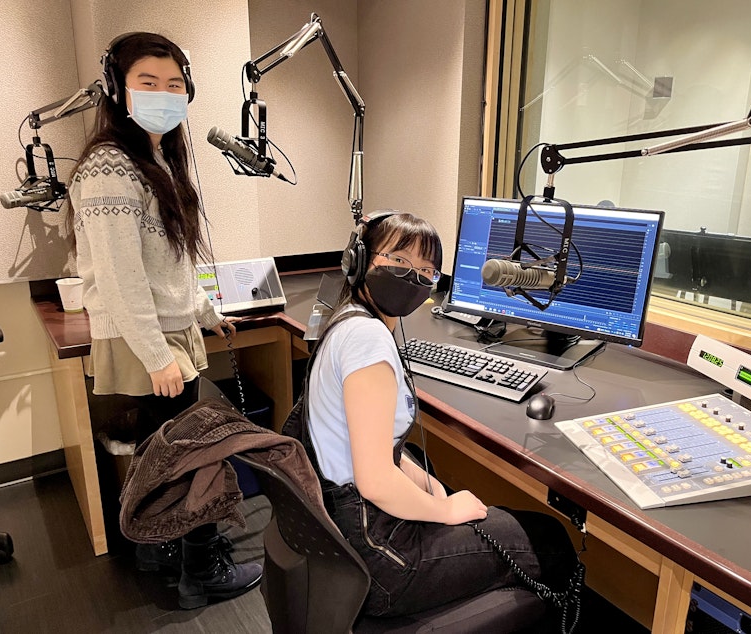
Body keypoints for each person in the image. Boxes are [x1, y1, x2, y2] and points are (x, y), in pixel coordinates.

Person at [288, 210, 584, 626]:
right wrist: (445, 511)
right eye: (398, 261)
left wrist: (431, 487)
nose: (412, 277)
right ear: (359, 260)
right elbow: (374, 479)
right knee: (550, 539)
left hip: (346, 534)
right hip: (383, 558)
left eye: (426, 271)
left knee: (429, 469)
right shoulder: (369, 342)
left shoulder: (346, 321)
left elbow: (374, 446)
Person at [65, 32, 262, 609]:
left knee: (164, 454)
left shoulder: (153, 159)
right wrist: (158, 356)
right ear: (116, 90)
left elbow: (169, 263)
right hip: (147, 340)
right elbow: (123, 278)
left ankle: (162, 552)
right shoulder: (108, 167)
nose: (163, 95)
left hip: (167, 331)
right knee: (194, 457)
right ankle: (200, 572)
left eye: (174, 85)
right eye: (147, 83)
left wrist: (204, 310)